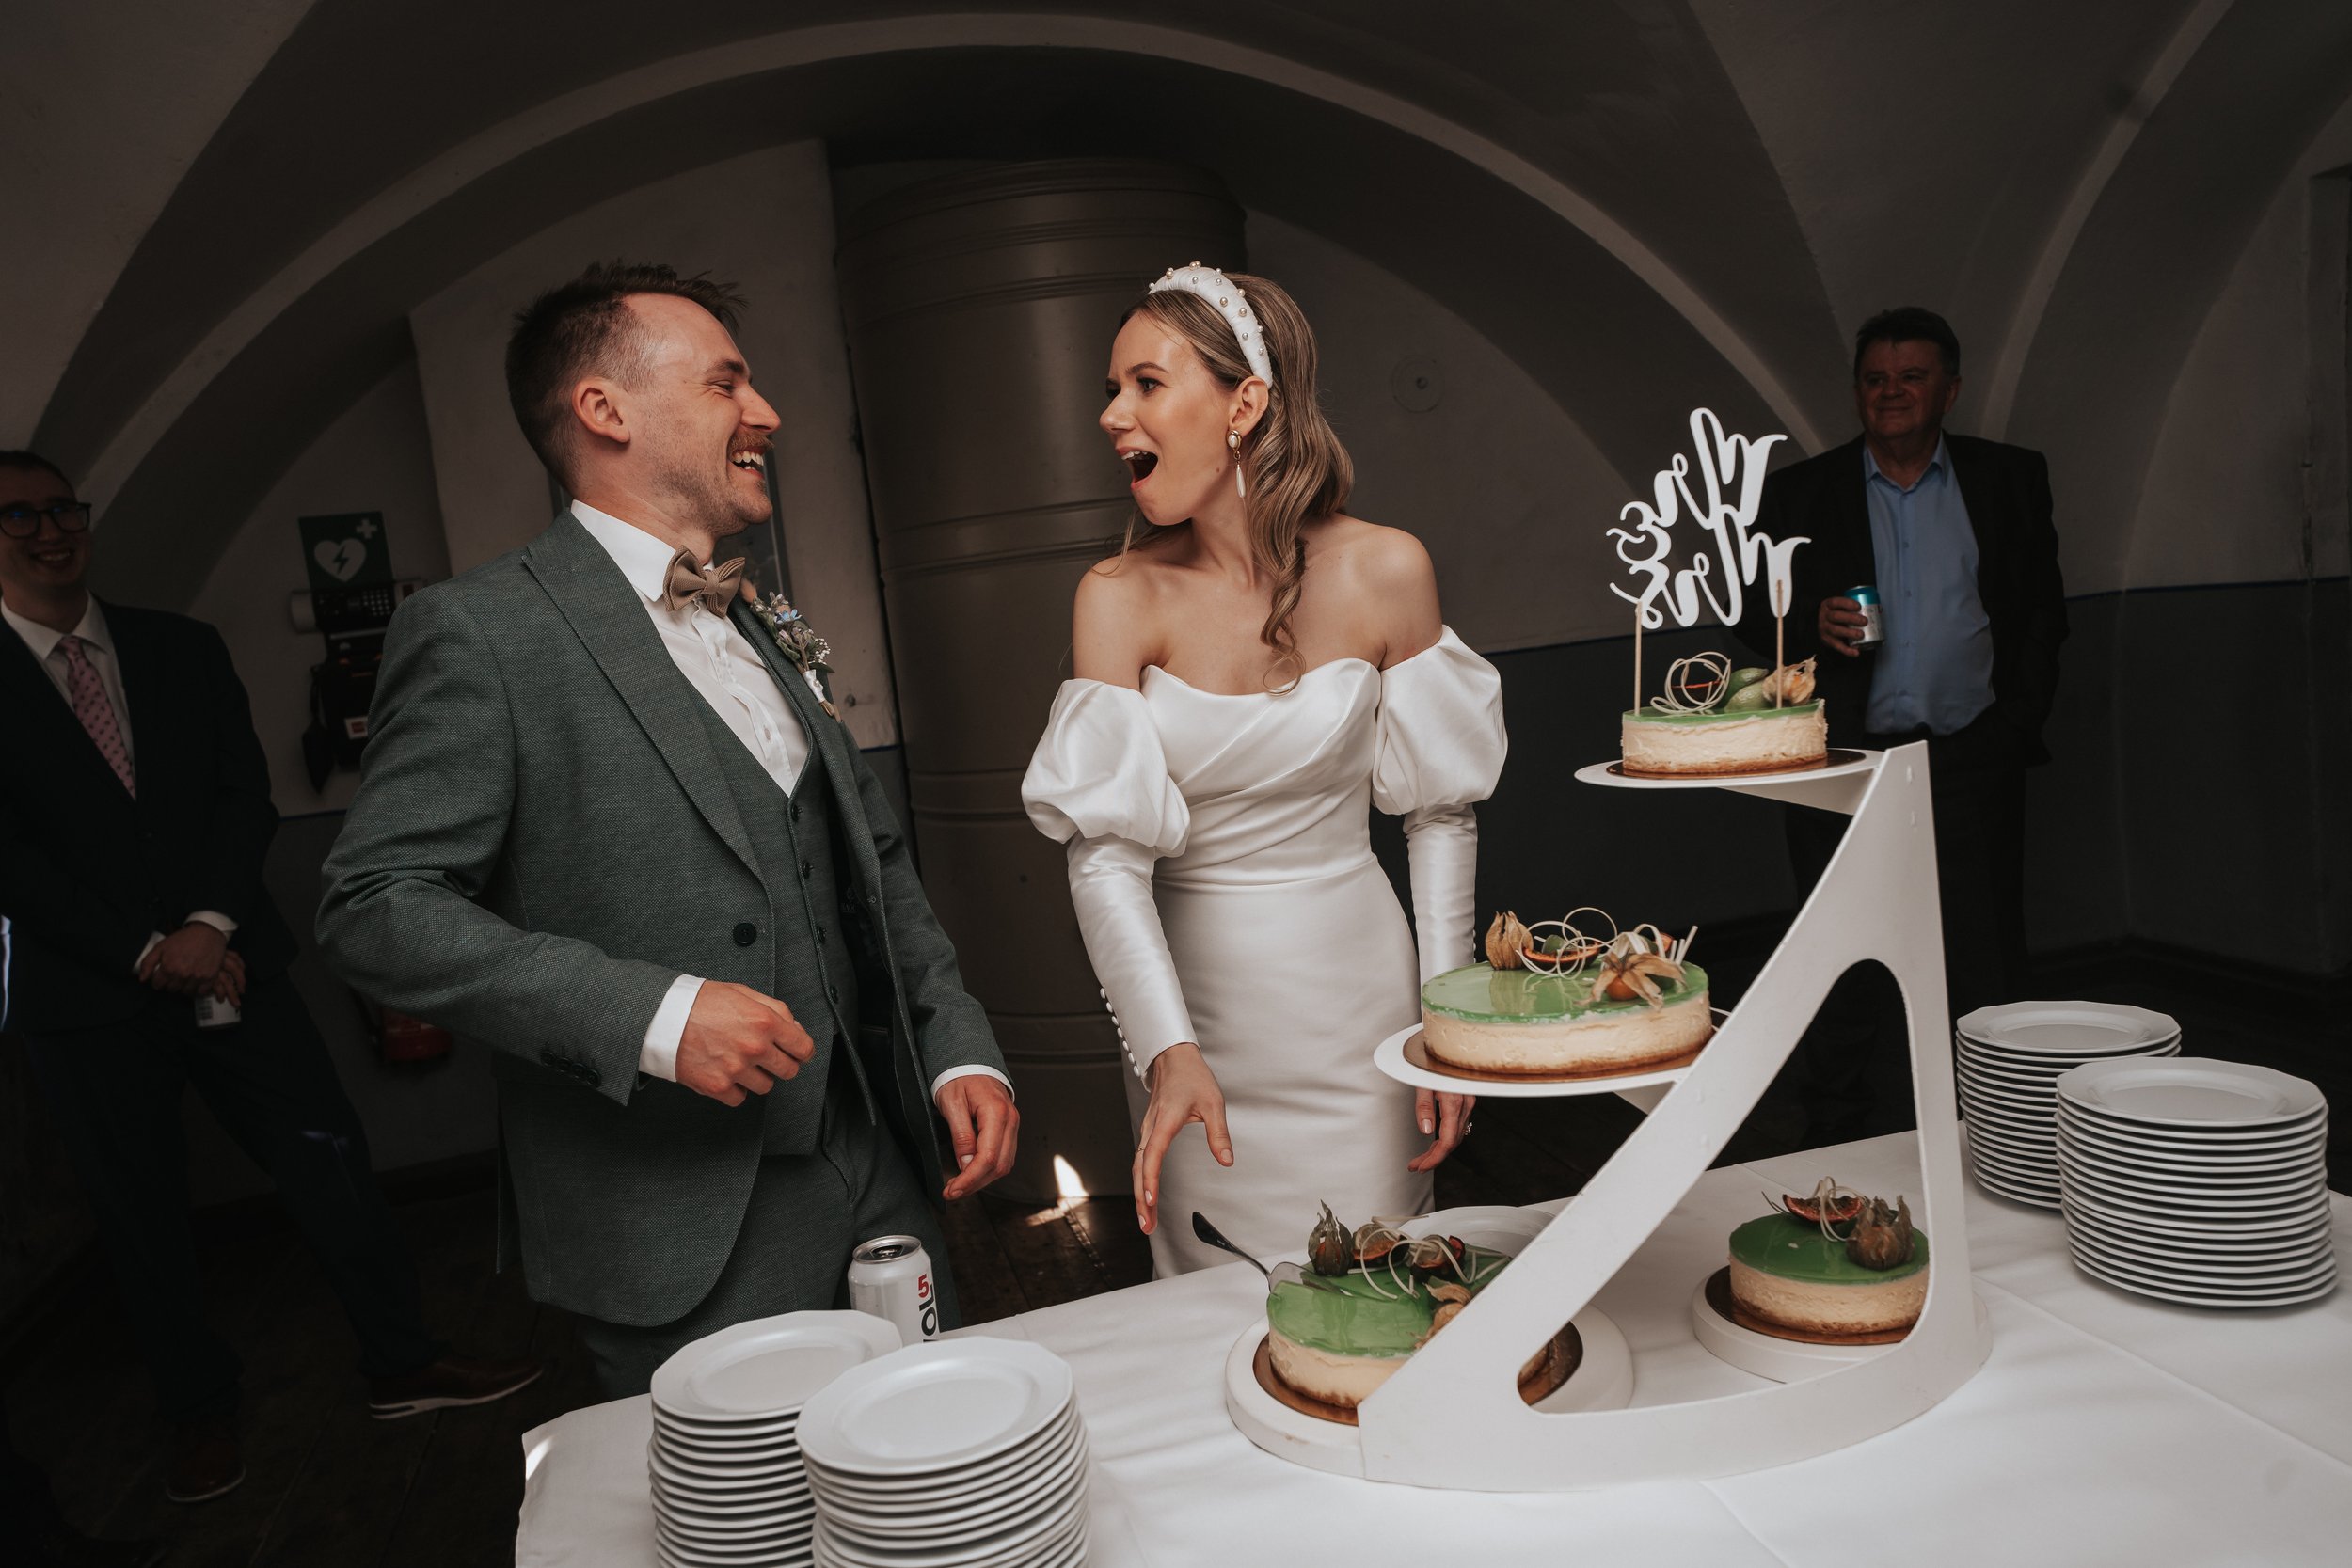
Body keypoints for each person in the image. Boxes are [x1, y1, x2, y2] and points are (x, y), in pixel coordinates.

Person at [316, 263, 1018, 1397]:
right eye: (728, 382)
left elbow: (869, 863)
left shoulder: (762, 619)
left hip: (883, 1173)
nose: (767, 413)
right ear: (606, 410)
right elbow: (371, 906)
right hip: (678, 1219)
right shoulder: (480, 632)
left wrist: (955, 1042)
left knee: (930, 1472)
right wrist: (651, 1011)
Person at [0, 451, 539, 1507]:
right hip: (88, 998)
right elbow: (12, 860)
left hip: (234, 964)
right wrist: (148, 949)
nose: (49, 528)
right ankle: (198, 1412)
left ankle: (402, 1360)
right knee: (141, 1211)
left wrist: (207, 924)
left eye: (63, 507)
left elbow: (243, 797)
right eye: (16, 515)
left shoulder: (178, 646)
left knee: (331, 1158)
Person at [1021, 265, 1505, 1275]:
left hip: (1360, 1007)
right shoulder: (1115, 596)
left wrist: (1450, 1012)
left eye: (1144, 384)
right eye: (1111, 390)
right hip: (1197, 1022)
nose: (1113, 415)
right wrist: (1167, 1048)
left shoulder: (1388, 569)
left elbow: (1438, 815)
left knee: (1385, 1281)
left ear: (1244, 402)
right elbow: (1104, 861)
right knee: (1214, 1293)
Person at [1736, 307, 2067, 1142]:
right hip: (1845, 766)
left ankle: (2002, 1134)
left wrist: (2015, 724)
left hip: (1970, 756)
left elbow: (2041, 616)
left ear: (1949, 390)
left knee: (1986, 955)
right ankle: (1837, 1146)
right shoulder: (1800, 492)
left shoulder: (2011, 478)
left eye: (1912, 376)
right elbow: (1751, 622)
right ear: (1857, 394)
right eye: (1876, 379)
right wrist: (1812, 620)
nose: (1892, 393)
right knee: (1838, 957)